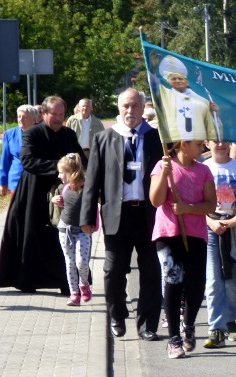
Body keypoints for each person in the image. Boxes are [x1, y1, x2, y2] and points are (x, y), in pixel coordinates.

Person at [80, 88, 163, 342]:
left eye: (135, 106)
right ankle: (116, 316)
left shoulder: (156, 139)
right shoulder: (104, 139)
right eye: (125, 106)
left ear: (142, 107)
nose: (130, 111)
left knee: (151, 271)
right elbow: (92, 180)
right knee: (113, 271)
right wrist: (87, 217)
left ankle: (147, 324)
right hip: (117, 214)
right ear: (119, 108)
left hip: (149, 215)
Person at [0, 96, 86, 293]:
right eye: (54, 114)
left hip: (64, 193)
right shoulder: (32, 133)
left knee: (65, 235)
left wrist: (76, 174)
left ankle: (66, 282)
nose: (58, 118)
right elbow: (28, 161)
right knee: (31, 234)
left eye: (62, 114)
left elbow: (81, 160)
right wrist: (61, 168)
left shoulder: (68, 134)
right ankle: (28, 280)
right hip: (34, 192)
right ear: (44, 113)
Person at [150, 139, 216, 359]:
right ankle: (173, 339)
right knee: (173, 279)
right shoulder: (162, 166)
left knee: (196, 284)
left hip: (195, 234)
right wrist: (164, 174)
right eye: (199, 144)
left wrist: (188, 208)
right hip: (167, 233)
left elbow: (210, 205)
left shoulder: (204, 170)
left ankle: (188, 324)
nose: (203, 148)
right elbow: (155, 200)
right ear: (184, 145)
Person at [202, 140, 236, 348]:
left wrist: (234, 221)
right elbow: (198, 204)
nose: (221, 144)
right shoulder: (204, 168)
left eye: (225, 140)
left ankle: (230, 320)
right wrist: (211, 222)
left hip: (235, 227)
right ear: (207, 143)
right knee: (214, 280)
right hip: (210, 227)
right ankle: (215, 327)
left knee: (232, 280)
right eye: (215, 141)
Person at [52, 153, 93, 306]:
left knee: (82, 262)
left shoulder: (87, 188)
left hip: (83, 230)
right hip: (65, 229)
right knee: (69, 262)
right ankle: (74, 293)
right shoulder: (63, 187)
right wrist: (54, 199)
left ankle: (84, 284)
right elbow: (61, 201)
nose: (59, 175)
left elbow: (94, 204)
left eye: (62, 172)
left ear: (71, 172)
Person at [151, 55, 221, 141]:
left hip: (197, 143)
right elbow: (154, 84)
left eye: (180, 78)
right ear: (168, 82)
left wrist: (215, 114)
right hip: (175, 142)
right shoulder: (166, 95)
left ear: (187, 81)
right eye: (174, 79)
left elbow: (214, 130)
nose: (177, 81)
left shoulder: (202, 100)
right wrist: (152, 68)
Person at [0, 105, 39, 197]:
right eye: (19, 116)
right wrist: (3, 182)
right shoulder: (9, 134)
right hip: (16, 179)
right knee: (17, 209)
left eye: (24, 117)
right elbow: (5, 160)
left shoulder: (41, 133)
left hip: (36, 180)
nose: (21, 119)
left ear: (33, 119)